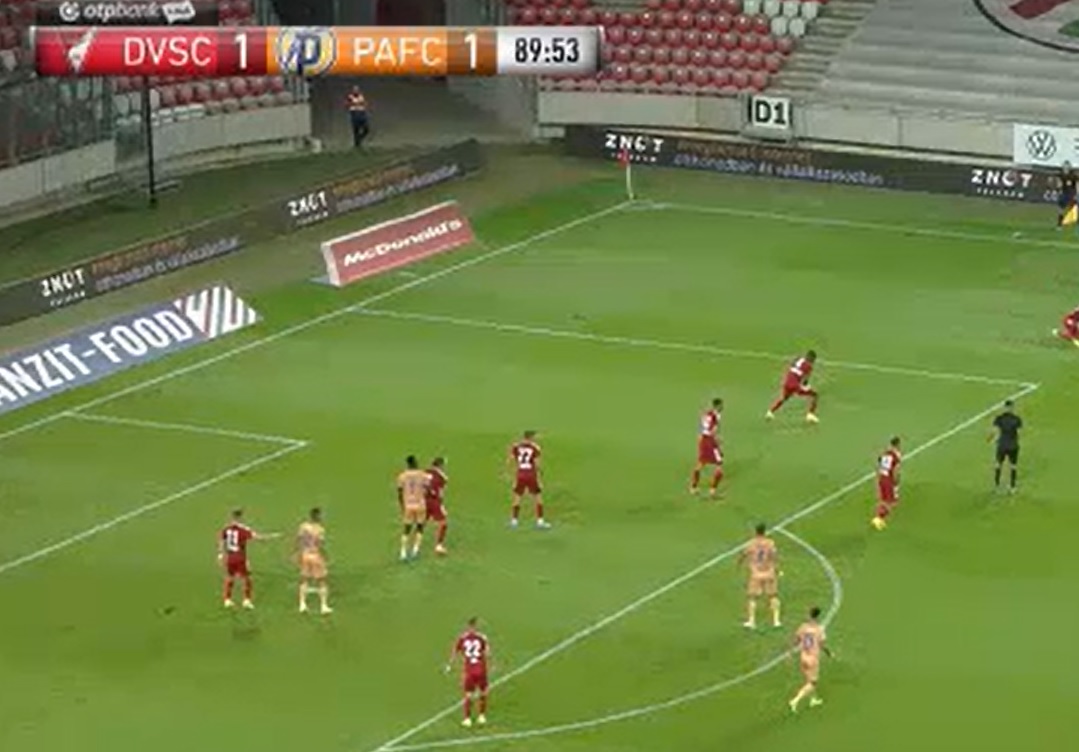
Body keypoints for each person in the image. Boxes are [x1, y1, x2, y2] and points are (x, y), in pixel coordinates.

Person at [218, 509, 278, 609]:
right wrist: (271, 536)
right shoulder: (243, 530)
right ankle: (246, 600)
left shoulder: (226, 529)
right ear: (240, 517)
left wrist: (220, 553)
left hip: (230, 557)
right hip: (240, 557)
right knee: (247, 579)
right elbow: (257, 537)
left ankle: (227, 600)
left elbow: (221, 540)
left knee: (230, 577)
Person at [446, 617, 492, 728]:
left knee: (468, 694)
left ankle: (467, 719)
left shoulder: (462, 638)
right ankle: (481, 716)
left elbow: (454, 652)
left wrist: (450, 665)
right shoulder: (482, 638)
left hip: (469, 671)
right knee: (483, 692)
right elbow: (488, 653)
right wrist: (490, 664)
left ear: (467, 627)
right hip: (481, 669)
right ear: (476, 626)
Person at [789, 606, 831, 713]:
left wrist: (790, 652)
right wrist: (828, 653)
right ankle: (795, 700)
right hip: (813, 658)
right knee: (812, 683)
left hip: (803, 656)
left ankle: (813, 699)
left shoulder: (803, 627)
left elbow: (796, 640)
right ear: (818, 616)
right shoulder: (819, 629)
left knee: (808, 680)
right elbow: (822, 644)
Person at [738, 523, 780, 629]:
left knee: (752, 597)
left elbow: (744, 554)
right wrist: (777, 569)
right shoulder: (770, 543)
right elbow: (774, 556)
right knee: (773, 596)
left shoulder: (752, 543)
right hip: (769, 572)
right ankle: (776, 621)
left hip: (756, 573)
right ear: (764, 531)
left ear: (755, 532)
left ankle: (752, 621)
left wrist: (739, 563)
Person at [509, 430, 550, 529]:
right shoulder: (535, 448)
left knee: (517, 496)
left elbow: (511, 460)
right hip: (531, 474)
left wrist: (513, 471)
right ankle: (540, 521)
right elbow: (536, 463)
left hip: (520, 474)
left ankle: (514, 521)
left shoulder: (516, 447)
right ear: (531, 437)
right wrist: (540, 473)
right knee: (538, 497)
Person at [766, 350, 820, 423]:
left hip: (787, 382)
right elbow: (805, 380)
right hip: (795, 385)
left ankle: (770, 412)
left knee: (784, 398)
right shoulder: (809, 366)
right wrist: (806, 386)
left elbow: (792, 366)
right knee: (815, 395)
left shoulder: (798, 359)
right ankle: (810, 415)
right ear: (812, 359)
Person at [296, 507, 332, 615]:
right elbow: (320, 544)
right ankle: (323, 606)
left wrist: (297, 553)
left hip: (305, 555)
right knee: (322, 581)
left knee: (304, 579)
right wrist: (325, 555)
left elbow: (299, 540)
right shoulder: (319, 529)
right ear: (318, 516)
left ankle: (302, 604)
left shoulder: (303, 527)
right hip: (315, 555)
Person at [397, 455, 430, 561]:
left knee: (406, 529)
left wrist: (402, 505)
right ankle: (415, 551)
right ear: (415, 463)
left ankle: (403, 552)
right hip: (420, 505)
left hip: (408, 505)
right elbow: (427, 488)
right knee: (420, 527)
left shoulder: (402, 476)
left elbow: (399, 492)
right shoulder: (422, 475)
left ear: (407, 464)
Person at [690, 398, 725, 497]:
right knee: (719, 467)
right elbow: (713, 431)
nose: (722, 407)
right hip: (710, 441)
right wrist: (718, 443)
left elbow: (703, 427)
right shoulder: (715, 417)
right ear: (717, 406)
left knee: (700, 464)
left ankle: (693, 488)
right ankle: (712, 491)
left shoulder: (707, 414)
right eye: (721, 405)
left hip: (703, 440)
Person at [989, 400, 1023, 494]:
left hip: (1002, 445)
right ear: (1012, 408)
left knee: (998, 465)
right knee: (1013, 466)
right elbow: (1019, 433)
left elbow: (994, 431)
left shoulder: (999, 418)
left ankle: (997, 486)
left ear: (1004, 407)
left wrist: (990, 438)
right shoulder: (1017, 419)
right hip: (1013, 446)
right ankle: (1012, 487)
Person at [870, 436, 902, 531]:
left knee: (883, 500)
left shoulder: (885, 454)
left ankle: (878, 518)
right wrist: (896, 481)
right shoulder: (896, 456)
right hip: (888, 480)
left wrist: (878, 477)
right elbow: (896, 470)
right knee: (891, 503)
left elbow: (879, 464)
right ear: (898, 444)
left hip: (881, 478)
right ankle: (878, 519)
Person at [426, 457, 450, 556]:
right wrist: (441, 505)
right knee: (443, 523)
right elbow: (440, 493)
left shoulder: (424, 472)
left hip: (422, 500)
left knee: (420, 522)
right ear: (440, 465)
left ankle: (413, 545)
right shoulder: (442, 477)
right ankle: (439, 546)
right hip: (434, 501)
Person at [1057, 161, 1077, 228]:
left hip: (1071, 193)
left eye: (1067, 166)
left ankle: (1073, 221)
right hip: (1064, 193)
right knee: (1061, 208)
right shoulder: (1061, 175)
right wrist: (1059, 190)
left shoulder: (1073, 175)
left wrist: (1076, 193)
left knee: (1073, 208)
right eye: (1064, 166)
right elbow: (1059, 184)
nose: (1065, 168)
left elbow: (1076, 184)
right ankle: (1059, 224)